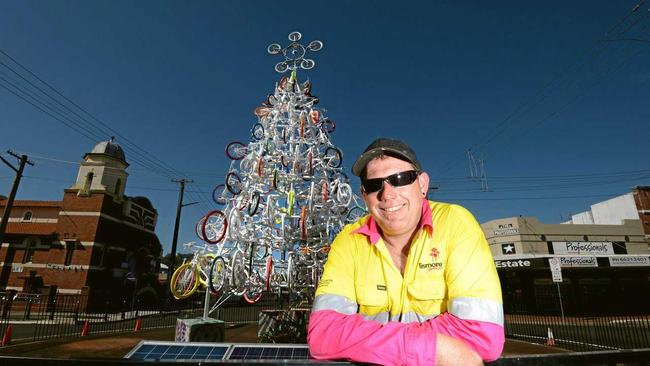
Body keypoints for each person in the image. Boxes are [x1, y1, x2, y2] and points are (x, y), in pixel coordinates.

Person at [307, 138, 504, 365]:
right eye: (374, 185)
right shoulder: (348, 240)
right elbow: (323, 334)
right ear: (364, 195)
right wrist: (429, 347)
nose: (388, 194)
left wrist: (368, 343)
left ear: (422, 184)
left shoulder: (456, 223)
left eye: (400, 179)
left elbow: (482, 337)